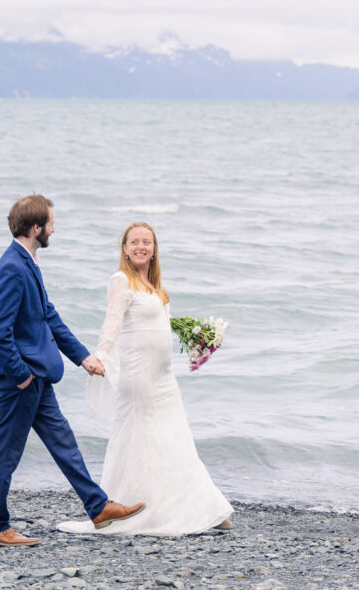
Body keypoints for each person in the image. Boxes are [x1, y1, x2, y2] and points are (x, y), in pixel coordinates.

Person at [0, 195, 145, 547]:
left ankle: (98, 507)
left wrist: (83, 358)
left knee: (63, 442)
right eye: (51, 222)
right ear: (36, 227)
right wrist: (21, 374)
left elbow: (48, 316)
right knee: (5, 453)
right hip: (20, 380)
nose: (55, 227)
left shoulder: (28, 261)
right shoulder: (11, 267)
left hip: (37, 376)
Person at [59, 222, 233, 535]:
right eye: (135, 242)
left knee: (175, 438)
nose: (141, 247)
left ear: (154, 249)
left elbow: (159, 325)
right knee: (139, 440)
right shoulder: (121, 280)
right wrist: (99, 354)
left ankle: (199, 506)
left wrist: (195, 337)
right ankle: (130, 506)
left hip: (163, 377)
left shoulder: (154, 285)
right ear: (124, 248)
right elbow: (112, 323)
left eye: (147, 242)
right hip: (138, 377)